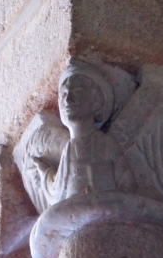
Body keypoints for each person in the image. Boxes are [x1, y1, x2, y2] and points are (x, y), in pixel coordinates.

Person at [30, 59, 136, 205]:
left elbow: (126, 183)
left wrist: (105, 193)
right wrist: (45, 172)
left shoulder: (104, 143)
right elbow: (58, 189)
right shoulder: (69, 148)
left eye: (78, 92)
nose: (68, 100)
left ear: (96, 101)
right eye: (64, 95)